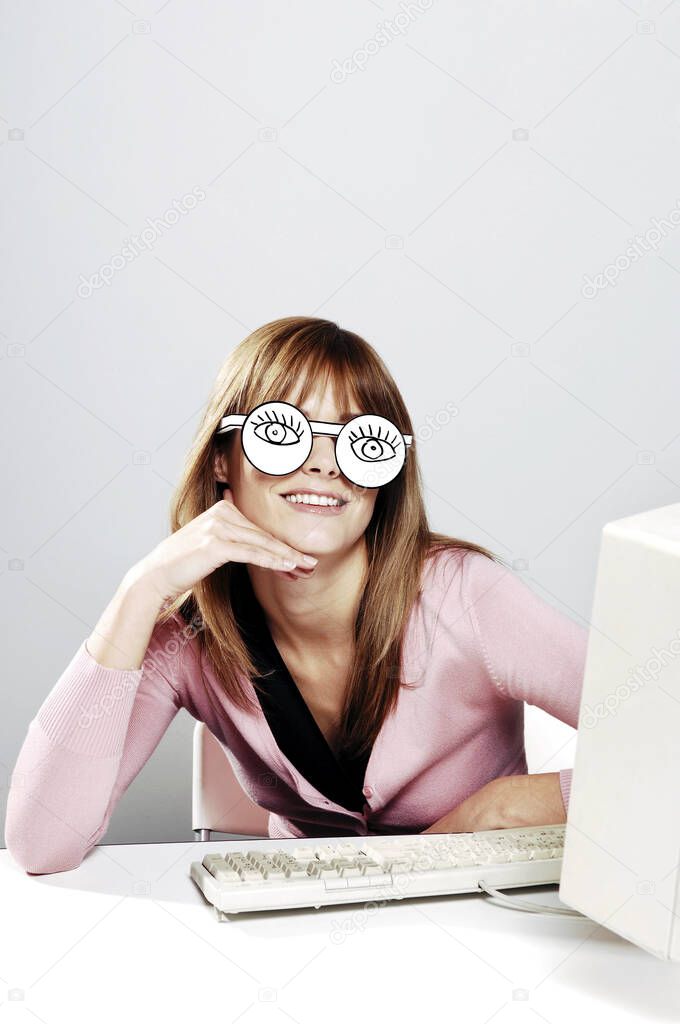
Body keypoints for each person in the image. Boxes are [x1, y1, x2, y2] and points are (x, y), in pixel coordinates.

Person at [4, 316, 587, 875]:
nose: (323, 462)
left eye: (362, 439)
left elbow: (665, 733)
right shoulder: (187, 640)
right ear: (221, 458)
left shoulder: (465, 596)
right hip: (303, 932)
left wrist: (504, 806)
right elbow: (41, 842)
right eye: (281, 433)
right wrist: (140, 591)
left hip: (491, 922)